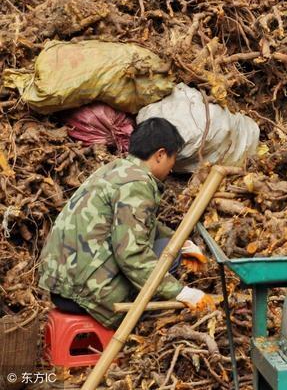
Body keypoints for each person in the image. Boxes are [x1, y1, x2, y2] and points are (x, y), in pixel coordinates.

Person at [39, 118, 216, 329]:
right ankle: (138, 324)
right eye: (173, 158)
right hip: (84, 296)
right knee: (168, 254)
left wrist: (182, 242)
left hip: (61, 287)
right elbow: (132, 254)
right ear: (160, 154)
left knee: (171, 247)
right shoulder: (137, 184)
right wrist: (181, 292)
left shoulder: (116, 170)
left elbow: (142, 223)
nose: (171, 168)